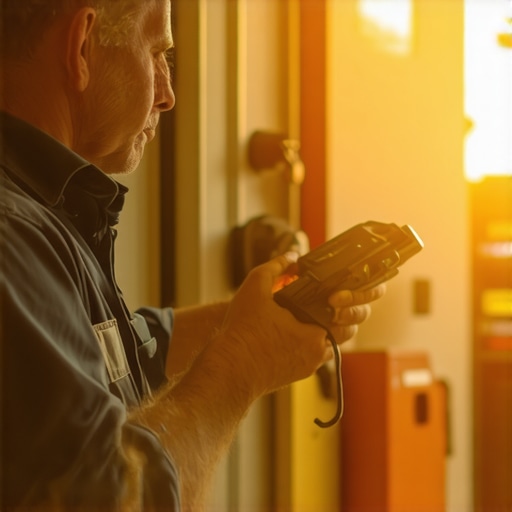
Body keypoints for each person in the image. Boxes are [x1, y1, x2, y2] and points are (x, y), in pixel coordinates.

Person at [0, 0, 385, 510]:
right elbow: (113, 500)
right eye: (158, 52)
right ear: (83, 46)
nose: (167, 95)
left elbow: (119, 349)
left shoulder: (47, 209)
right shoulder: (14, 235)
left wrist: (256, 316)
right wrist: (243, 360)